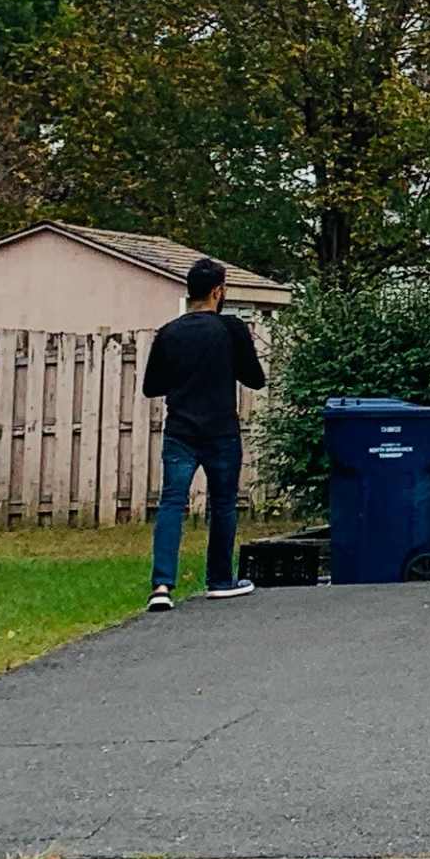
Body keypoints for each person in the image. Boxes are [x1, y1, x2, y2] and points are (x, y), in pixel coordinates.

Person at [139, 258, 267, 609]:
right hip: (221, 431)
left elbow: (152, 387)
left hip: (180, 430)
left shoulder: (169, 332)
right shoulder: (231, 330)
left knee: (171, 504)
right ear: (218, 291)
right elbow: (256, 378)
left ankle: (161, 586)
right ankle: (220, 579)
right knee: (223, 504)